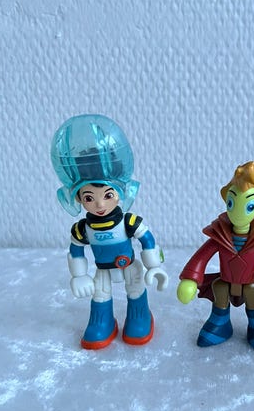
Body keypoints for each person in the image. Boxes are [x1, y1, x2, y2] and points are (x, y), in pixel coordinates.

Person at [51, 114, 167, 349]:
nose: (100, 204)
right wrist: (79, 275)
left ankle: (140, 316)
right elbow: (76, 251)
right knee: (100, 294)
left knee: (135, 289)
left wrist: (154, 265)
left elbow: (146, 239)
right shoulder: (83, 228)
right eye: (89, 198)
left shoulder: (128, 221)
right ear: (78, 198)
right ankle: (102, 322)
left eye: (108, 195)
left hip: (130, 266)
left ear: (120, 192)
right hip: (102, 269)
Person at [177, 161, 254, 353]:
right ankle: (219, 322)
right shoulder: (219, 237)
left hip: (249, 283)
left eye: (249, 206)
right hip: (225, 281)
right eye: (231, 203)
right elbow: (201, 258)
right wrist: (190, 279)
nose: (238, 212)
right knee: (219, 288)